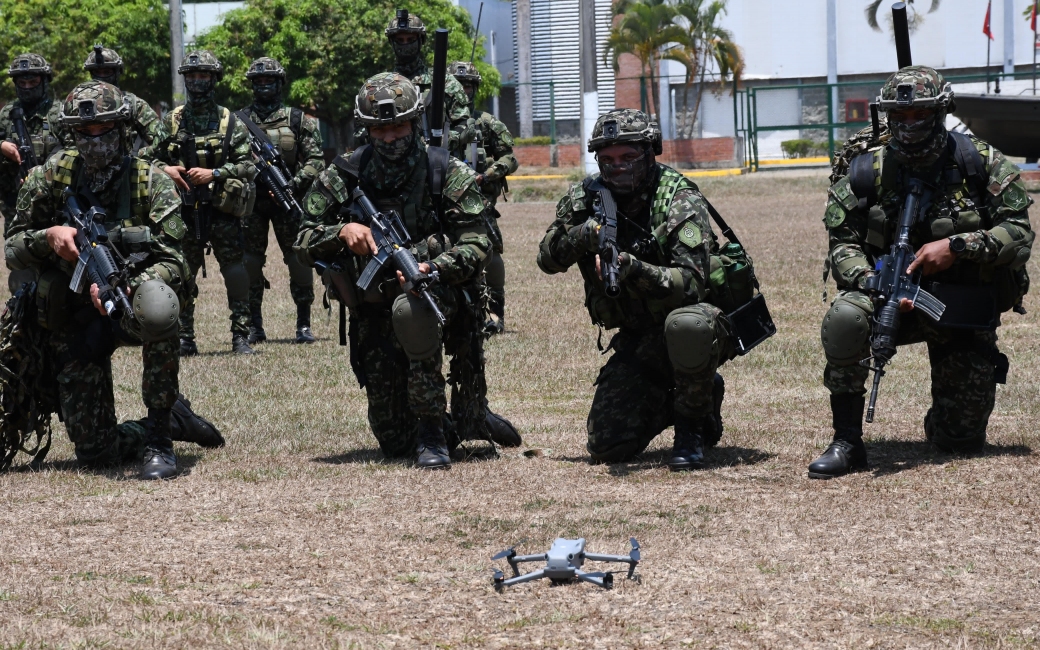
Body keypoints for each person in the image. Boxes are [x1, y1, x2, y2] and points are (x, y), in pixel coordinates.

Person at [811, 66, 1034, 478]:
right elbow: (842, 241)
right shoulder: (865, 170)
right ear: (887, 117)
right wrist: (868, 279)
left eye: (919, 116)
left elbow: (1019, 233)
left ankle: (947, 425)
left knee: (961, 442)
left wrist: (957, 246)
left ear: (940, 112)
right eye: (900, 117)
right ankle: (847, 440)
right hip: (886, 294)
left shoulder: (979, 161)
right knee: (845, 317)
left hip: (957, 303)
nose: (909, 126)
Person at [295, 72, 519, 469]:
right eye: (379, 129)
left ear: (414, 122)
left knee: (412, 308)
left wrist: (433, 266)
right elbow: (303, 235)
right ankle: (452, 425)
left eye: (398, 126)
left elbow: (478, 241)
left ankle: (435, 431)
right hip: (373, 309)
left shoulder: (444, 169)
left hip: (438, 295)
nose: (390, 138)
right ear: (366, 128)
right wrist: (342, 231)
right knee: (394, 441)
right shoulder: (346, 171)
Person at [3, 81, 224, 480]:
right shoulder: (50, 176)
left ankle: (159, 436)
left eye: (104, 129)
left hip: (129, 304)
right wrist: (48, 238)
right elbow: (12, 249)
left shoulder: (151, 181)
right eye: (84, 132)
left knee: (158, 303)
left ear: (122, 129)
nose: (95, 140)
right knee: (95, 453)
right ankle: (178, 421)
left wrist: (132, 282)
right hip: (75, 315)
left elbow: (178, 262)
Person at [537, 109, 730, 471]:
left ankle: (691, 426)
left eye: (628, 157)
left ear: (649, 152)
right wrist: (583, 236)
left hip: (697, 326)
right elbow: (547, 259)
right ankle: (681, 399)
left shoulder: (677, 198)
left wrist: (633, 269)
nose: (618, 167)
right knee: (607, 445)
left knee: (687, 324)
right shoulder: (587, 197)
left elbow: (691, 285)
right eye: (607, 160)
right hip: (639, 337)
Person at [140, 50, 258, 356]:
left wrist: (215, 173)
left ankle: (241, 335)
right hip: (182, 211)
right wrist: (166, 169)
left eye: (203, 75)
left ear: (214, 79)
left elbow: (249, 165)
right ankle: (184, 336)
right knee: (181, 271)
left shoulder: (229, 120)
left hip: (222, 210)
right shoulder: (172, 120)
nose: (197, 81)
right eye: (191, 76)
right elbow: (145, 157)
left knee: (235, 271)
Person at [238, 57, 325, 345]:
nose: (264, 86)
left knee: (299, 259)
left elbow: (316, 160)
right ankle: (254, 326)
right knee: (250, 263)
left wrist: (294, 183)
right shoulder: (238, 122)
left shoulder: (298, 119)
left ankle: (303, 324)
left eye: (269, 81)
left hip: (288, 198)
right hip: (251, 202)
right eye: (258, 81)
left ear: (279, 83)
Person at [450, 61, 519, 334]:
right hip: (443, 200)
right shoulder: (435, 126)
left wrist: (487, 175)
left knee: (491, 252)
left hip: (480, 200)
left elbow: (510, 158)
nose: (463, 91)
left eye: (468, 85)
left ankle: (494, 314)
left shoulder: (486, 122)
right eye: (457, 85)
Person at [382, 9, 473, 157]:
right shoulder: (382, 85)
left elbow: (465, 126)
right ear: (392, 42)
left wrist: (441, 143)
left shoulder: (445, 82)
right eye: (400, 40)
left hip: (436, 164)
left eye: (410, 40)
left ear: (420, 41)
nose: (405, 45)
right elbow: (363, 131)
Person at [0, 54, 63, 235]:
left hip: (53, 202)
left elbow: (75, 149)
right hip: (15, 203)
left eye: (33, 82)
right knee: (17, 254)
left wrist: (45, 171)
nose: (27, 87)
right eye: (22, 83)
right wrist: (2, 144)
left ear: (44, 81)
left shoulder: (58, 113)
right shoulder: (7, 113)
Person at [79, 45, 167, 152]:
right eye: (97, 72)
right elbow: (68, 146)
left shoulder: (133, 104)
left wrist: (137, 158)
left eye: (107, 72)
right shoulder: (79, 105)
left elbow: (161, 141)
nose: (101, 77)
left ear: (117, 73)